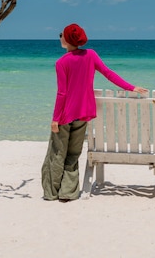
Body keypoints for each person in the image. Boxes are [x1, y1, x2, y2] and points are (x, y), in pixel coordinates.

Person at [41, 23, 148, 202]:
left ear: (66, 39)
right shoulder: (90, 55)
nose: (60, 37)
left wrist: (55, 119)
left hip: (65, 116)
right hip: (83, 114)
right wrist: (131, 87)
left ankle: (51, 193)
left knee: (57, 154)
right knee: (73, 154)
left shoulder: (61, 63)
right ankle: (67, 192)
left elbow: (62, 93)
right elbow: (108, 73)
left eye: (61, 35)